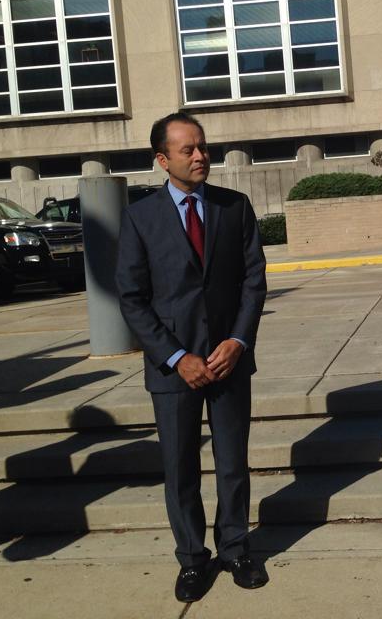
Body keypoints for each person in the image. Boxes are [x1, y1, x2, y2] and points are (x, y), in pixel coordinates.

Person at [115, 112, 267, 603]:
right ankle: (192, 559)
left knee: (232, 464)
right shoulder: (140, 218)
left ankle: (236, 548)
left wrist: (238, 341)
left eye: (202, 146)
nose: (201, 155)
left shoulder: (234, 207)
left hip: (228, 361)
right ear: (162, 159)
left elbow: (253, 282)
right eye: (187, 149)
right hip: (173, 368)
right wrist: (176, 356)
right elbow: (132, 298)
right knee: (180, 467)